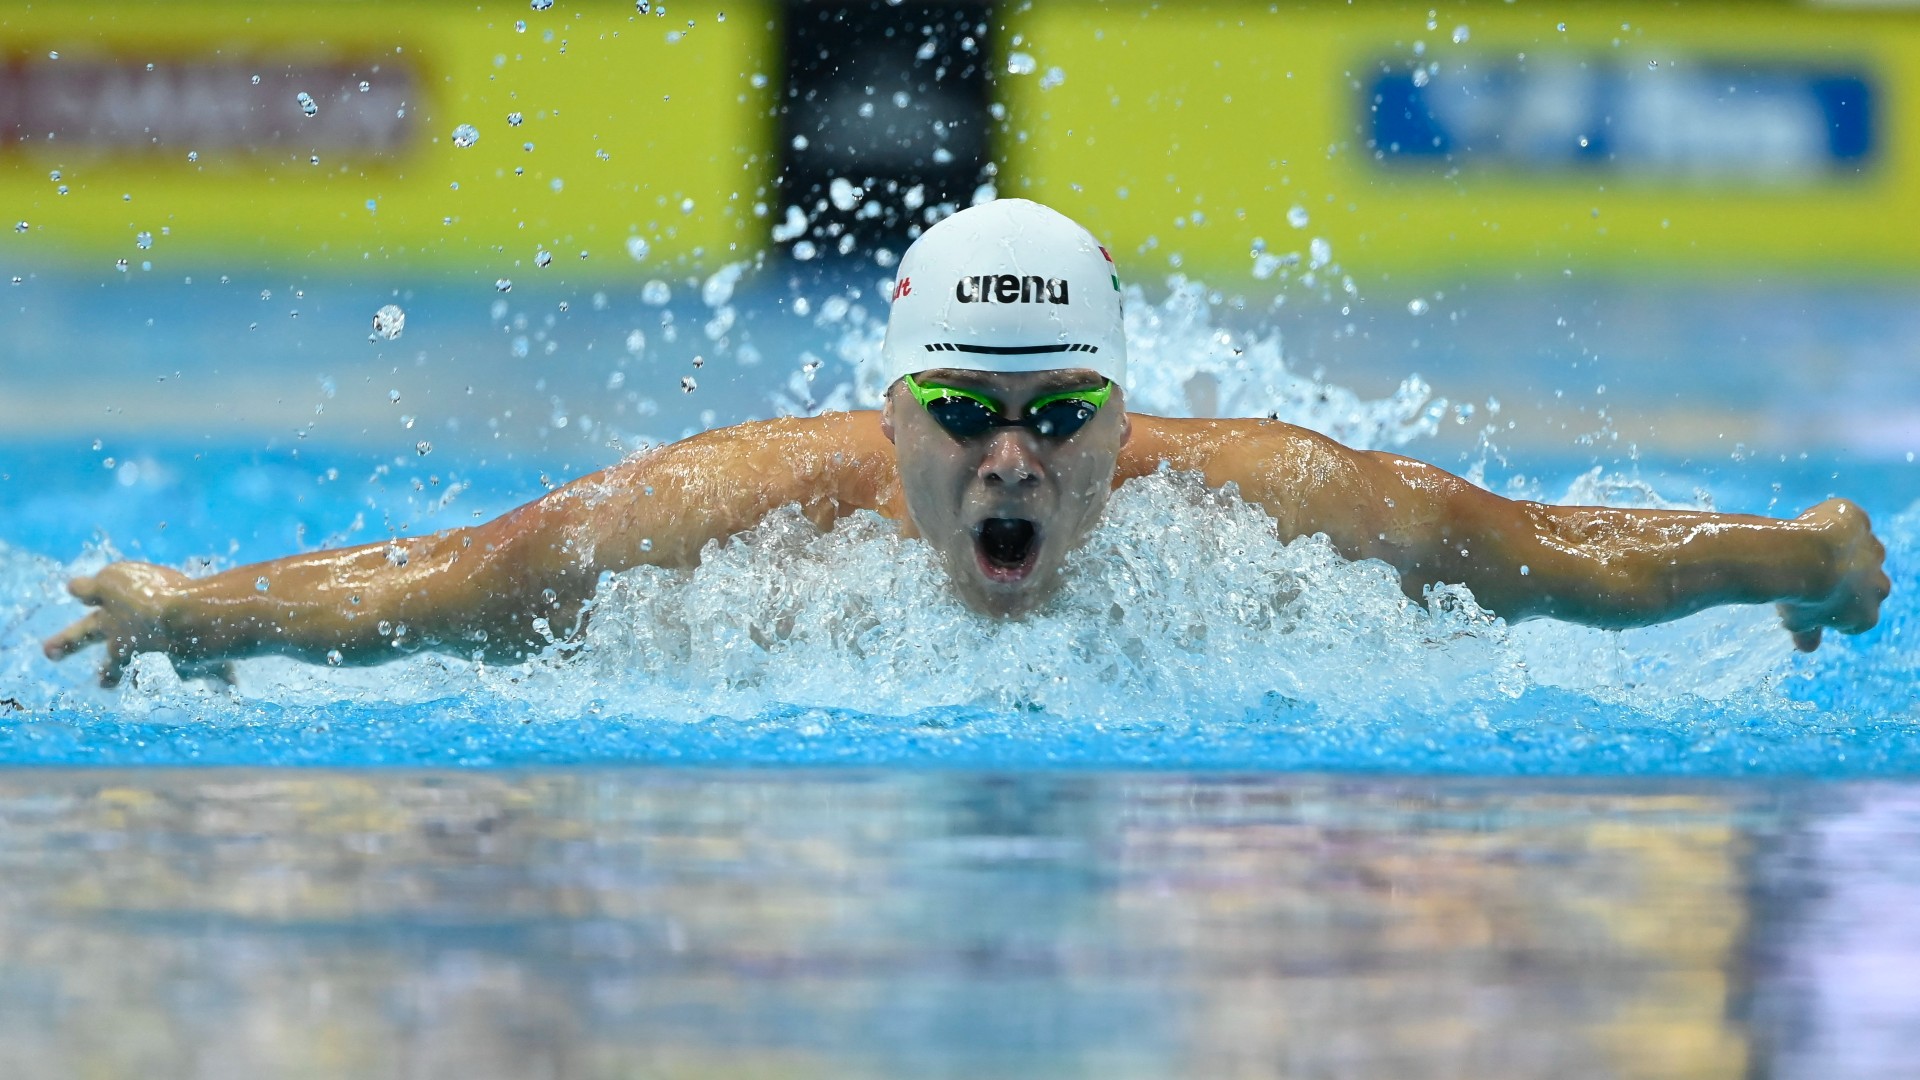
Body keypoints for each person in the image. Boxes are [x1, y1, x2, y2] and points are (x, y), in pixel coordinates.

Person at [43, 199, 1890, 686]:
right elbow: (459, 586)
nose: (1012, 462)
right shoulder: (750, 509)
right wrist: (196, 609)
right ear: (892, 411)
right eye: (966, 414)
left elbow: (1542, 560)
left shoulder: (1269, 504)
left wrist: (1805, 554)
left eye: (1059, 416)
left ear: (1122, 419)